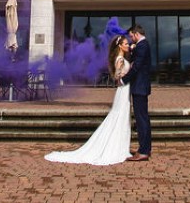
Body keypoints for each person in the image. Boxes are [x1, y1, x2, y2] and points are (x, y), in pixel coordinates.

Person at [45, 35, 132, 166]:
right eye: (125, 43)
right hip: (123, 90)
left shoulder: (122, 58)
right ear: (120, 45)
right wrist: (124, 75)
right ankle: (117, 147)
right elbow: (116, 76)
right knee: (119, 116)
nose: (127, 45)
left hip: (125, 90)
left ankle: (121, 146)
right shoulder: (120, 59)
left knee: (123, 117)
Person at [125, 24, 152, 161]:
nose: (131, 39)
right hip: (141, 87)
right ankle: (145, 148)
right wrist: (131, 49)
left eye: (131, 36)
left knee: (141, 119)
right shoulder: (141, 46)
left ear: (136, 34)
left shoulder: (142, 46)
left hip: (139, 87)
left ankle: (143, 151)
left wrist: (124, 79)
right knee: (143, 118)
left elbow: (136, 68)